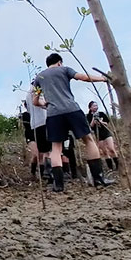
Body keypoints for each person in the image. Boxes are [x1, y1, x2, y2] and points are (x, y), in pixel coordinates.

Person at [34, 54, 113, 191]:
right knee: (88, 140)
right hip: (72, 109)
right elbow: (83, 77)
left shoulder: (39, 77)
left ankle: (58, 185)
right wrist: (103, 79)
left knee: (56, 147)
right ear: (59, 62)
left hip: (53, 114)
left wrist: (45, 103)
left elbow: (35, 101)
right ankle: (99, 178)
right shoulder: (64, 69)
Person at [24, 83, 54, 183]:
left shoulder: (30, 94)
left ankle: (44, 175)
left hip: (37, 125)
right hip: (38, 127)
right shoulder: (36, 92)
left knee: (43, 153)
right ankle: (44, 173)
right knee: (43, 153)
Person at [87, 101, 120, 172]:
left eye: (96, 105)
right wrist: (94, 118)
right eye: (94, 106)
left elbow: (107, 123)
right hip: (99, 135)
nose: (96, 107)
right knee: (104, 151)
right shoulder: (88, 116)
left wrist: (101, 121)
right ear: (90, 108)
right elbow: (91, 126)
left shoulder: (101, 114)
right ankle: (110, 167)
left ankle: (118, 165)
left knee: (111, 148)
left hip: (106, 133)